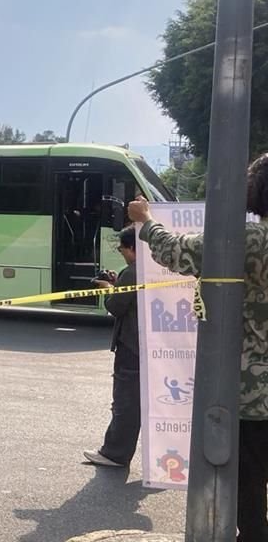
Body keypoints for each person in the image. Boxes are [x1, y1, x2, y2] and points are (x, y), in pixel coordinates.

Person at [128, 153, 268, 542]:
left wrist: (145, 221)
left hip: (254, 398)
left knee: (249, 490)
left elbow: (179, 251)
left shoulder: (252, 240)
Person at [84, 225, 141, 467]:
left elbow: (116, 307)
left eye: (121, 249)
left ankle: (115, 453)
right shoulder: (159, 269)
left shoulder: (133, 272)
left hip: (131, 345)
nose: (122, 254)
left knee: (126, 402)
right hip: (152, 347)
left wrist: (108, 290)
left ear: (133, 248)